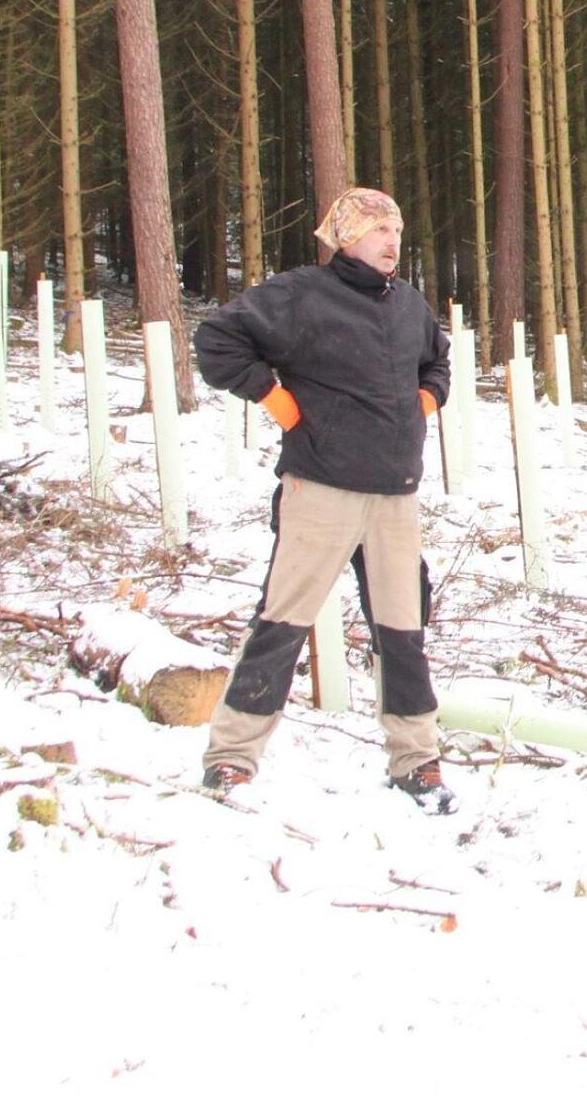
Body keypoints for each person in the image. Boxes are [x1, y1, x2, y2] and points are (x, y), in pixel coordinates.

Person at [191, 187, 458, 814]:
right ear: (345, 238)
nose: (393, 242)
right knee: (282, 623)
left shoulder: (408, 304)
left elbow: (437, 361)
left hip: (395, 497)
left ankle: (416, 763)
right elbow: (217, 342)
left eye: (397, 230)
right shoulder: (300, 294)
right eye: (379, 231)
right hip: (322, 488)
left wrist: (425, 402)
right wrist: (277, 401)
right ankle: (231, 759)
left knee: (403, 632)